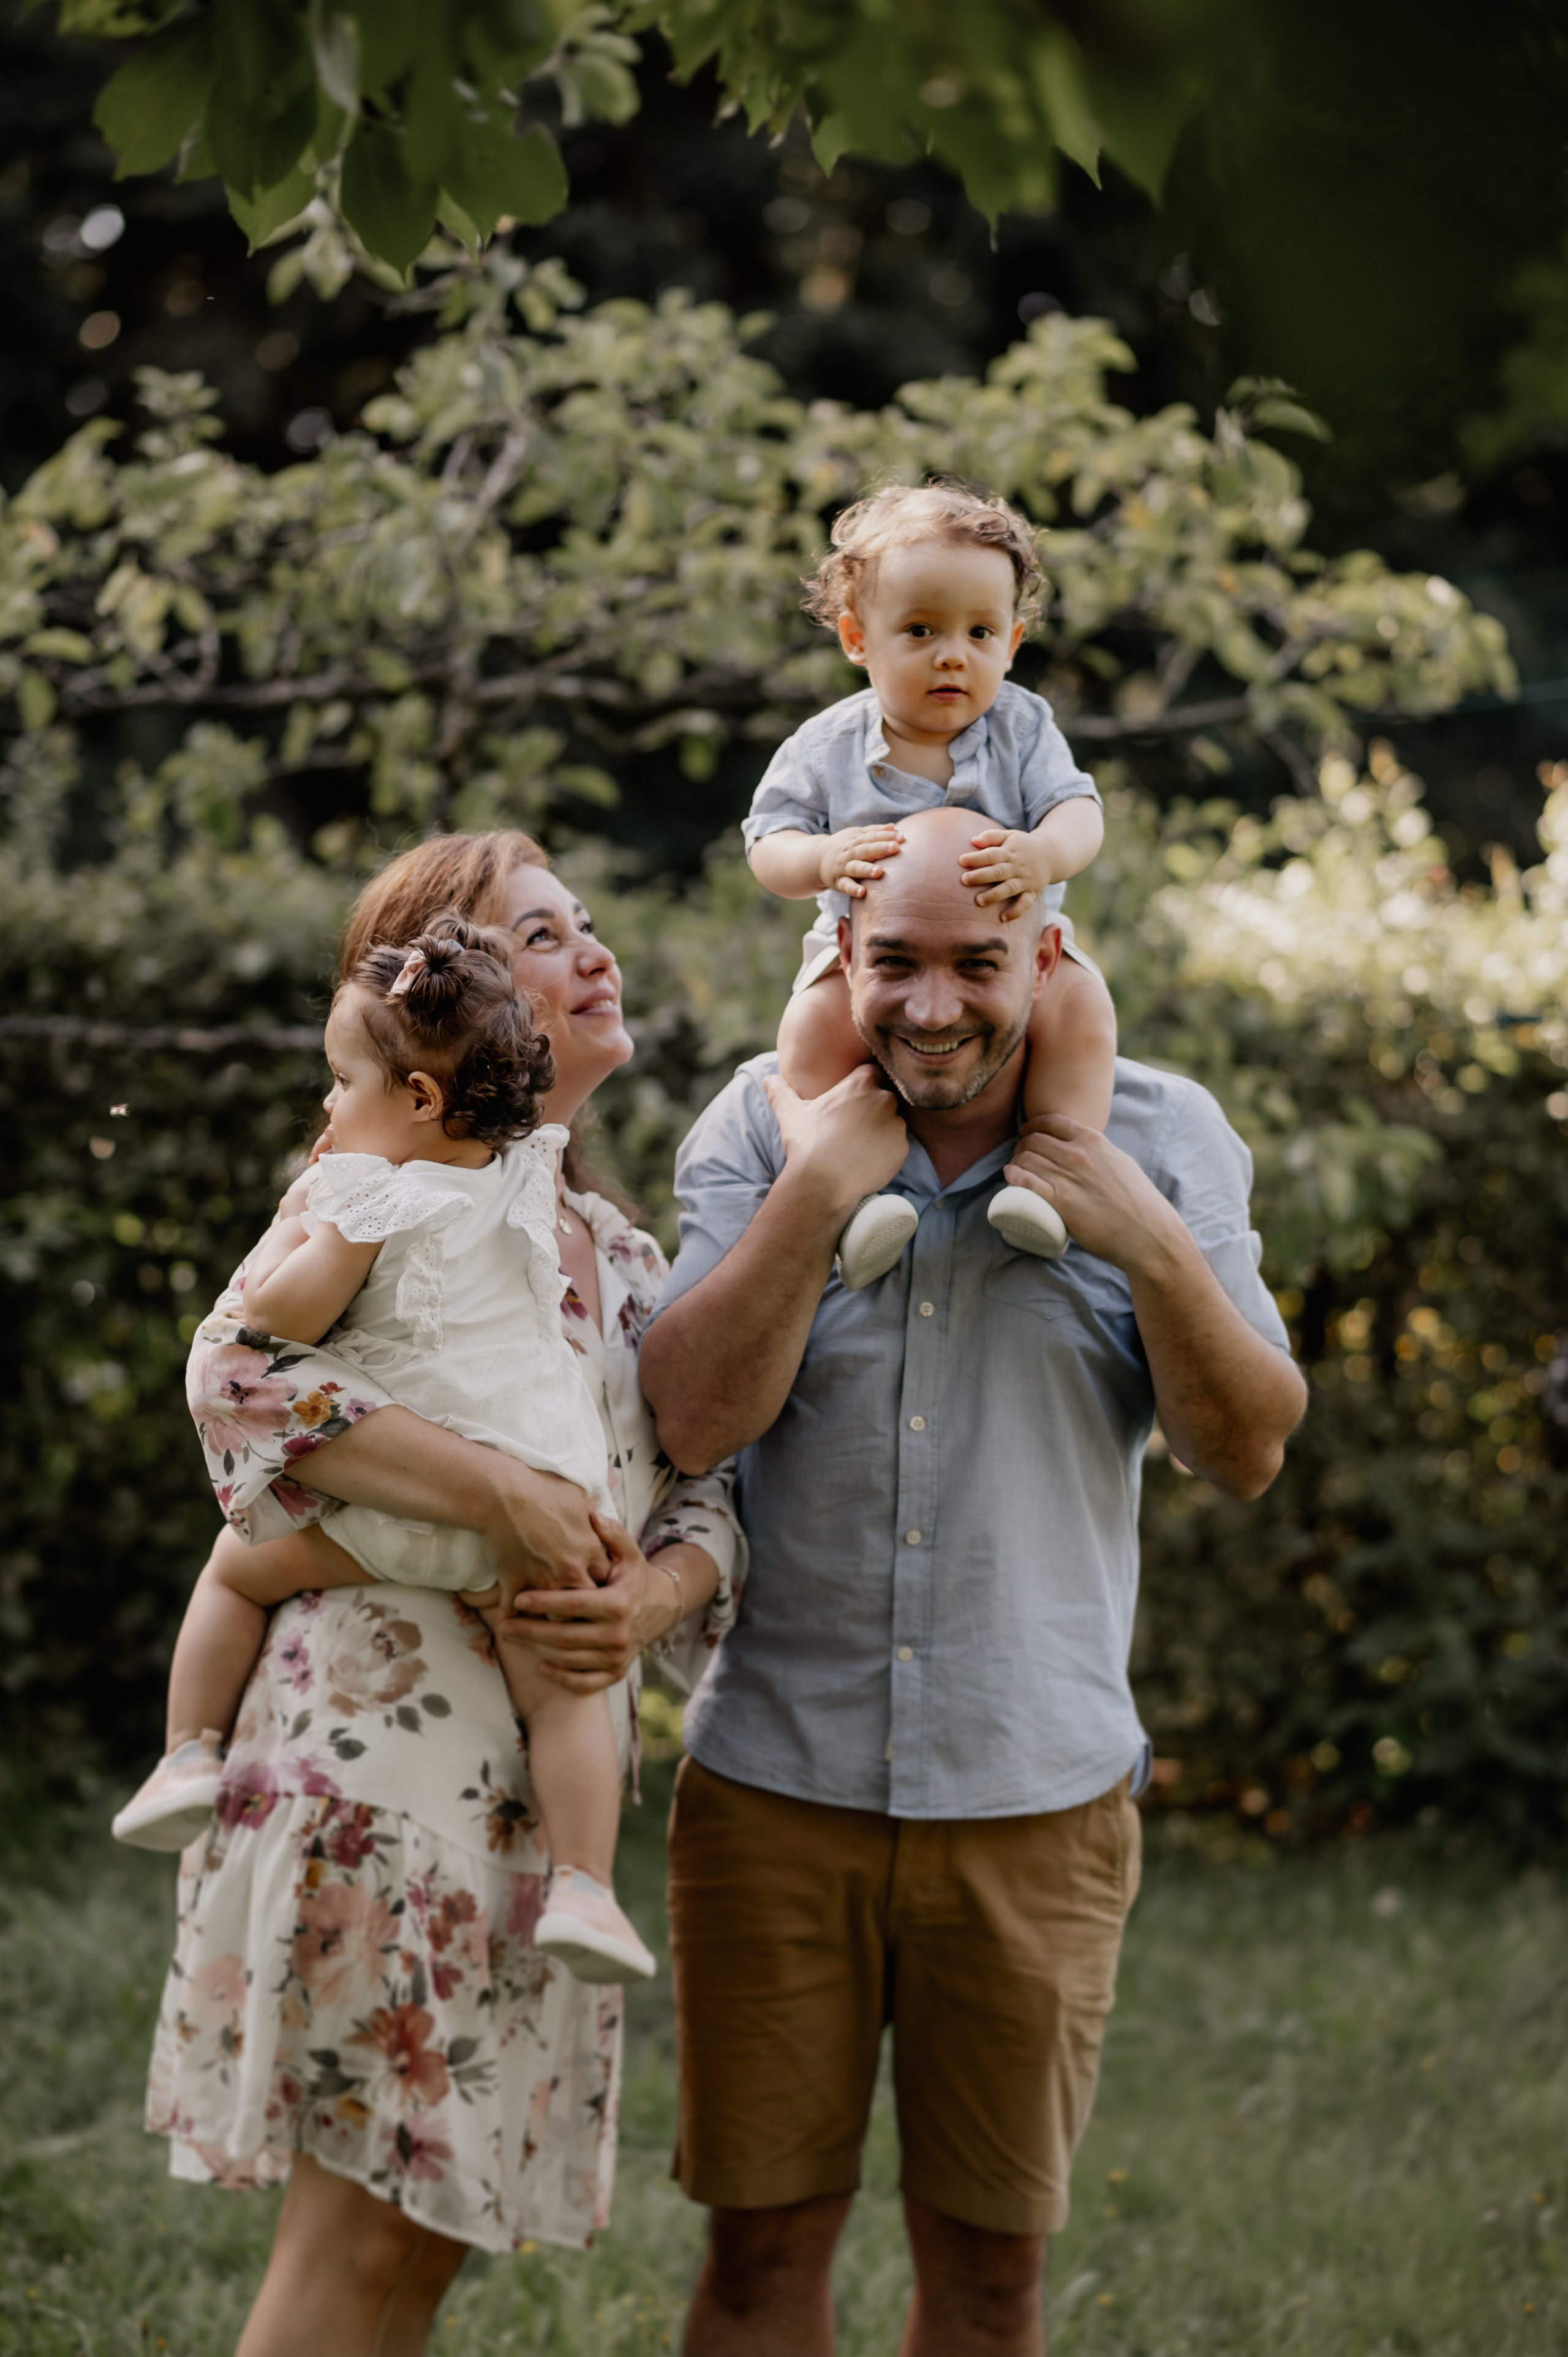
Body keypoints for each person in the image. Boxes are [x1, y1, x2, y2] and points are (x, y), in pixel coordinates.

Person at [639, 804, 1308, 2357]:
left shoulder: (1163, 1133)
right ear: (839, 958)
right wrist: (815, 1194)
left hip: (1035, 1798)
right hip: (773, 1790)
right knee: (755, 2259)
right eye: (893, 962)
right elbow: (689, 1418)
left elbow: (1246, 1447)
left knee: (992, 2279)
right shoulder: (756, 1126)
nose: (931, 1005)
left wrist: (1140, 1237)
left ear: (1047, 955)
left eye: (974, 962)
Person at [145, 830, 745, 2356]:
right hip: (385, 1765)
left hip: (544, 1816)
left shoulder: (614, 1253)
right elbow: (235, 1369)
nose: (591, 954)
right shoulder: (364, 1200)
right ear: (448, 1022)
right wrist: (489, 1492)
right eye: (539, 937)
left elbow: (699, 1496)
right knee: (355, 2244)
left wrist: (652, 1597)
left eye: (586, 923)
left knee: (420, 2254)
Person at [744, 480, 1117, 1287]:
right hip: (866, 961)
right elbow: (767, 845)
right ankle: (850, 1202)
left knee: (1085, 1011)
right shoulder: (829, 744)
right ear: (857, 638)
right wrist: (822, 859)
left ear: (1012, 642)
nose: (954, 654)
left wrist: (1044, 855)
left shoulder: (1021, 727)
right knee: (809, 1034)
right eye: (920, 630)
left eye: (980, 632)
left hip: (1017, 962)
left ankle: (1053, 1182)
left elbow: (1081, 813)